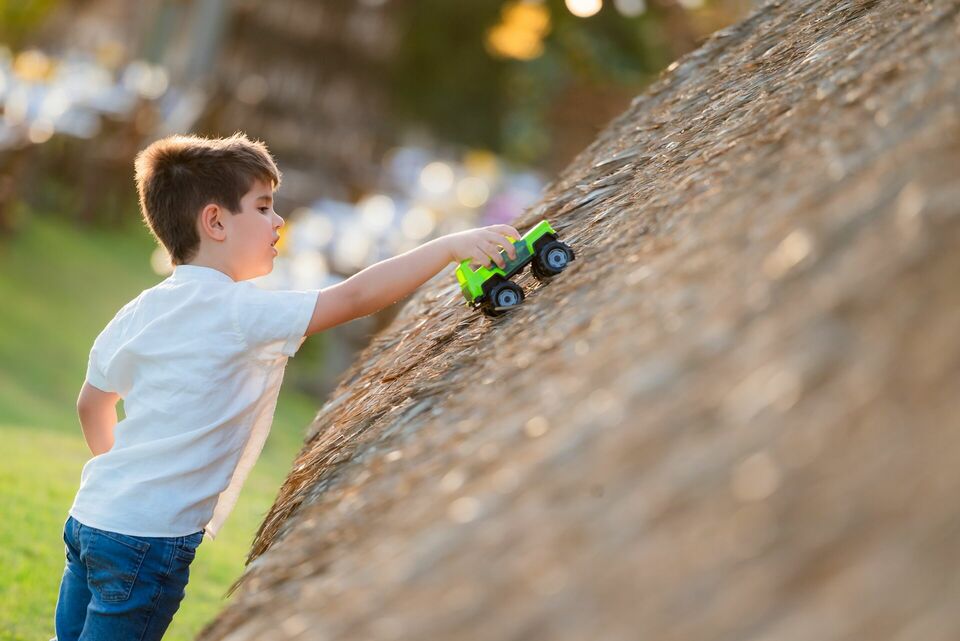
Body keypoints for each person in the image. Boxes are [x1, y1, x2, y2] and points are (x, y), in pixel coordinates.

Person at [53, 133, 519, 640]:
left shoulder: (139, 310)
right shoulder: (239, 311)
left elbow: (91, 404)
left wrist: (129, 481)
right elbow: (354, 297)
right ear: (215, 222)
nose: (279, 221)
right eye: (263, 207)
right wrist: (448, 246)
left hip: (92, 515)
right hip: (146, 541)